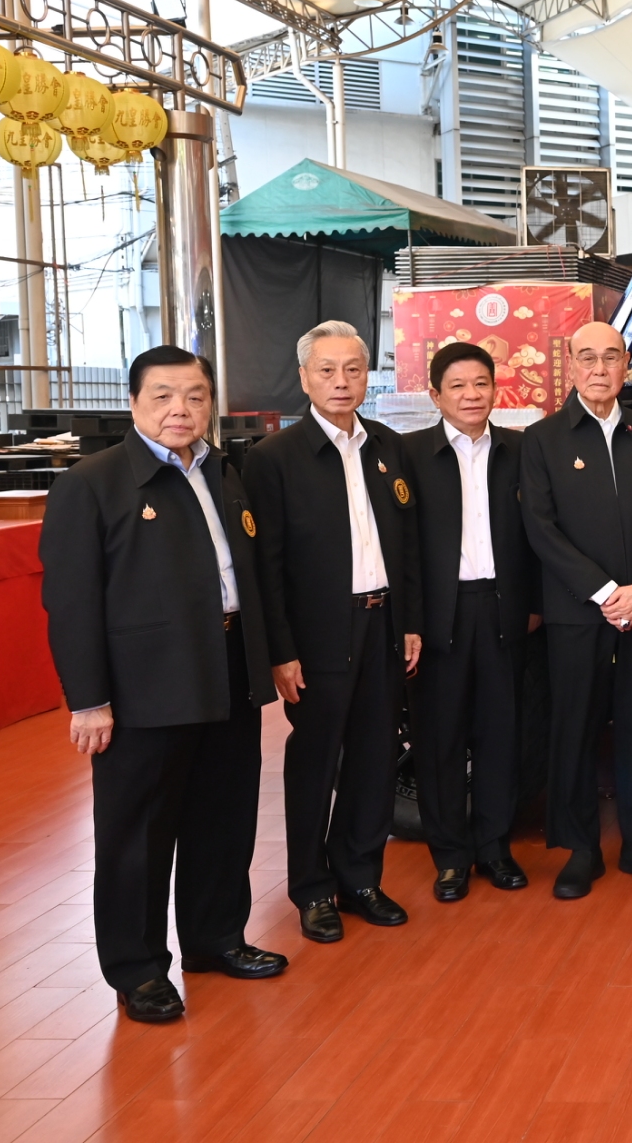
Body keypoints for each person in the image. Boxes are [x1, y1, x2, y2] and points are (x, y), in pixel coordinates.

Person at [40, 346, 287, 1024]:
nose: (181, 409)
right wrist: (89, 699)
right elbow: (70, 602)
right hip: (144, 685)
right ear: (133, 403)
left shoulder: (223, 471)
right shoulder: (91, 484)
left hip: (228, 665)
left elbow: (249, 573)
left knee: (223, 815)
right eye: (163, 396)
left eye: (195, 396)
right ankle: (138, 967)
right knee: (139, 834)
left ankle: (215, 937)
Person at [243, 320, 423, 944]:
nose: (341, 381)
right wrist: (281, 651)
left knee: (376, 758)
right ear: (304, 378)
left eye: (353, 369)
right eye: (326, 370)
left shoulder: (389, 447)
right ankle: (312, 889)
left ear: (368, 374)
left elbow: (408, 548)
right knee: (316, 763)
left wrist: (411, 624)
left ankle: (361, 878)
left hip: (384, 623)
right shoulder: (273, 459)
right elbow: (265, 568)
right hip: (318, 635)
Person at [520, 321, 632, 899]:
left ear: (627, 367)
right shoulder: (542, 440)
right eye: (588, 358)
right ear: (570, 366)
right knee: (575, 725)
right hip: (577, 611)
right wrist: (602, 592)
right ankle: (580, 848)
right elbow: (541, 529)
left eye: (612, 357)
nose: (600, 369)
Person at [406, 342, 541, 902]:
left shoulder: (522, 449)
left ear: (495, 389)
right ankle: (450, 857)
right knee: (439, 737)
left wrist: (534, 604)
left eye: (481, 383)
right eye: (457, 386)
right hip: (441, 614)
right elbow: (400, 547)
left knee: (500, 733)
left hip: (506, 608)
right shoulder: (409, 454)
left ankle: (494, 847)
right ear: (435, 395)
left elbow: (541, 535)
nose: (471, 395)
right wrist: (411, 621)